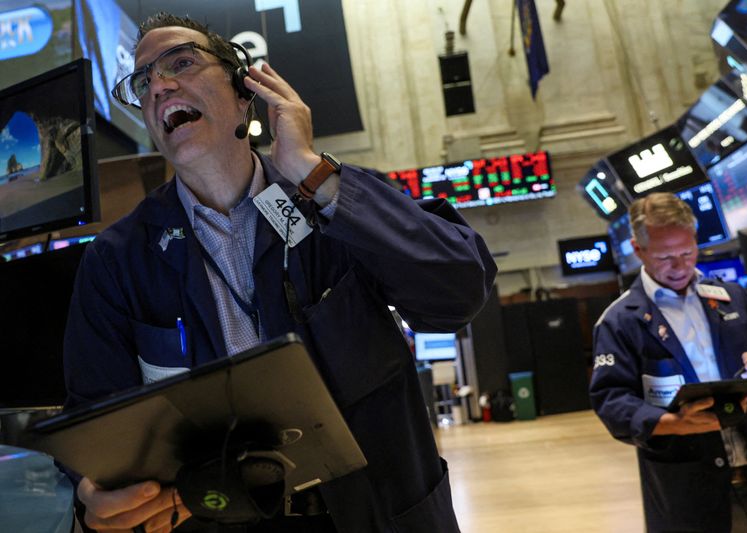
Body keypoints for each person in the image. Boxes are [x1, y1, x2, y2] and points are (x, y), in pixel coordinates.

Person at [62, 12, 496, 532]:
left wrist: (314, 173)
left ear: (246, 92)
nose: (159, 85)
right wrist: (92, 491)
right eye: (143, 80)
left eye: (181, 62)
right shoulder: (118, 259)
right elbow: (94, 417)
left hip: (378, 514)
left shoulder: (332, 201)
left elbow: (458, 291)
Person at [590, 192, 747, 532]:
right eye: (665, 257)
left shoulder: (733, 298)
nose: (680, 266)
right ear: (637, 249)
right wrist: (670, 421)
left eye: (688, 252)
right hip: (688, 496)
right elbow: (610, 400)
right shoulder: (620, 321)